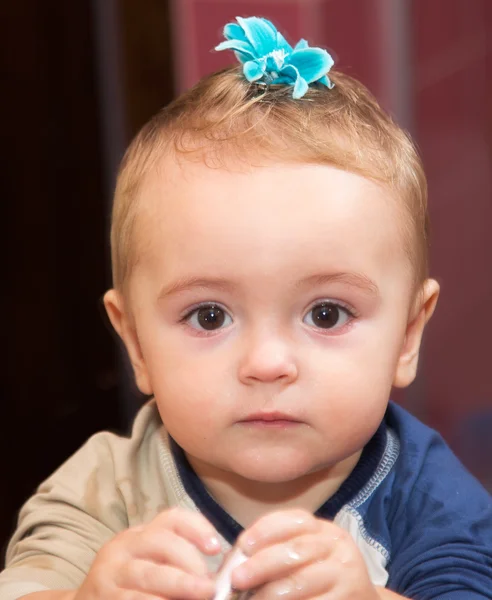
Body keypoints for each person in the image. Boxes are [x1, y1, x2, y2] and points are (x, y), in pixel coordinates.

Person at [2, 15, 491, 600]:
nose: (267, 363)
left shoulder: (430, 498)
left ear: (409, 336)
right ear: (135, 344)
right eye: (209, 316)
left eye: (326, 314)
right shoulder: (104, 490)